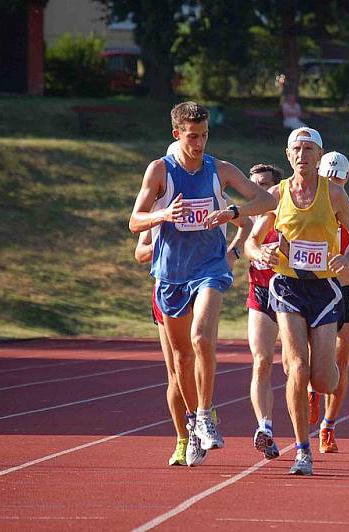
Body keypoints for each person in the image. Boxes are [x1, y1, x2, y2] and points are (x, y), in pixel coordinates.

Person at [129, 101, 275, 457]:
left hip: (210, 267)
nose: (199, 144)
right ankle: (194, 421)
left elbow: (266, 199)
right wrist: (164, 214)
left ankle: (206, 414)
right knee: (181, 361)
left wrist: (235, 211)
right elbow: (134, 221)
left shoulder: (219, 170)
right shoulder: (159, 171)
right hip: (171, 274)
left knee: (201, 338)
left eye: (204, 135)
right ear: (176, 134)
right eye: (192, 136)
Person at [245, 127, 349, 475]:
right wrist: (261, 253)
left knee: (323, 380)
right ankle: (302, 449)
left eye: (309, 149)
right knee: (296, 366)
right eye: (296, 148)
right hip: (288, 286)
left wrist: (347, 258)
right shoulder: (276, 194)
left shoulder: (335, 194)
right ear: (288, 154)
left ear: (318, 155)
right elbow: (252, 241)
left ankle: (320, 386)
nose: (302, 154)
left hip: (325, 291)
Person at [312, 151, 349, 454]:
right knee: (312, 357)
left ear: (346, 178)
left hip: (343, 288)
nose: (332, 181)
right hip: (311, 287)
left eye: (337, 177)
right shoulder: (308, 204)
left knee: (341, 361)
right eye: (327, 176)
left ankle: (328, 425)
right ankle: (311, 387)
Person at [242, 163, 284, 460]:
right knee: (262, 361)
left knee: (299, 368)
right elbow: (243, 242)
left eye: (264, 186)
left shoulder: (287, 215)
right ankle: (265, 428)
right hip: (260, 293)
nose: (257, 191)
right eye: (252, 185)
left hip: (295, 293)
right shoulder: (245, 219)